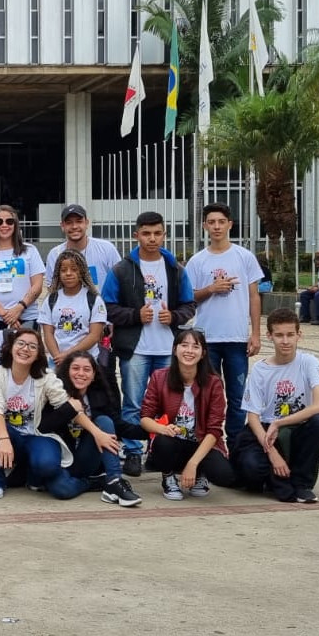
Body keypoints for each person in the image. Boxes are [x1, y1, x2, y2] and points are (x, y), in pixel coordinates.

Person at [101, 211, 197, 478]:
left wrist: (174, 316)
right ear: (137, 235)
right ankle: (132, 451)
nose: (152, 239)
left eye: (157, 233)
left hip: (168, 347)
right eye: (146, 233)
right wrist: (134, 315)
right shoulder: (121, 269)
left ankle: (167, 449)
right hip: (135, 349)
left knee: (173, 402)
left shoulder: (176, 269)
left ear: (164, 234)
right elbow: (107, 307)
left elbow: (190, 305)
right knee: (133, 402)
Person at [0, 327, 129, 503]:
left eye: (32, 346)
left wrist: (97, 433)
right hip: (8, 434)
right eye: (20, 343)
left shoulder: (45, 377)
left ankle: (92, 482)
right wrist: (4, 439)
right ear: (11, 347)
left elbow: (66, 405)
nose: (25, 349)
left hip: (35, 435)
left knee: (47, 466)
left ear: (38, 354)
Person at [234, 308, 319, 504]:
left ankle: (301, 483)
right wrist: (272, 454)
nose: (285, 341)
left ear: (299, 335)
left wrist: (280, 423)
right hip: (266, 432)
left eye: (290, 335)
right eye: (279, 335)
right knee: (251, 469)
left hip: (297, 427)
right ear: (269, 336)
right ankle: (275, 475)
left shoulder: (309, 362)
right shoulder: (260, 370)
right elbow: (253, 417)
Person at [185, 202, 263, 447]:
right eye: (211, 222)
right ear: (205, 225)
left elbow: (253, 296)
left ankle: (237, 445)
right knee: (208, 395)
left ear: (230, 224)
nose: (216, 227)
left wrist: (256, 334)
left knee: (238, 396)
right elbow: (188, 297)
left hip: (237, 339)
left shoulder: (244, 257)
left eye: (221, 222)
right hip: (207, 340)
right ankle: (209, 443)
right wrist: (211, 289)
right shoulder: (197, 261)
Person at [139, 327, 237, 500]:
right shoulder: (160, 377)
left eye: (196, 346)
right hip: (173, 442)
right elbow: (145, 418)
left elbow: (214, 429)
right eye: (184, 345)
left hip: (200, 443)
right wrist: (163, 429)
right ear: (175, 350)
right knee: (163, 443)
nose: (189, 351)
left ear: (203, 353)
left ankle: (199, 473)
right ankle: (168, 476)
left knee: (224, 475)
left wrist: (193, 464)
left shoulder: (213, 383)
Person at [54, 351, 141, 506]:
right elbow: (45, 425)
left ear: (94, 375)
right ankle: (96, 482)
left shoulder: (99, 396)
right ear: (67, 371)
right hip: (62, 459)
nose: (81, 373)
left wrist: (153, 430)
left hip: (87, 457)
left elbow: (120, 426)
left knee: (104, 421)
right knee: (62, 489)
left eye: (87, 369)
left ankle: (114, 480)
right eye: (75, 368)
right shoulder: (56, 393)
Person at [0, 204, 45, 331]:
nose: (4, 225)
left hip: (28, 316)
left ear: (15, 224)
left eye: (9, 221)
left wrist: (20, 307)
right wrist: (6, 315)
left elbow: (37, 285)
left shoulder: (30, 251)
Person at [40, 249, 108, 366]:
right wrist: (57, 357)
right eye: (63, 270)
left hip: (86, 362)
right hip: (56, 362)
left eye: (74, 269)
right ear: (58, 273)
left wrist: (67, 355)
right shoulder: (51, 299)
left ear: (82, 272)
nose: (68, 273)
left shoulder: (94, 300)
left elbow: (94, 335)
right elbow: (48, 334)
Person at [44, 204, 122, 290]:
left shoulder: (107, 249)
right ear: (62, 226)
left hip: (102, 303)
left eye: (79, 221)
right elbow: (52, 288)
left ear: (87, 223)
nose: (74, 226)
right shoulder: (54, 255)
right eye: (69, 223)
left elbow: (120, 281)